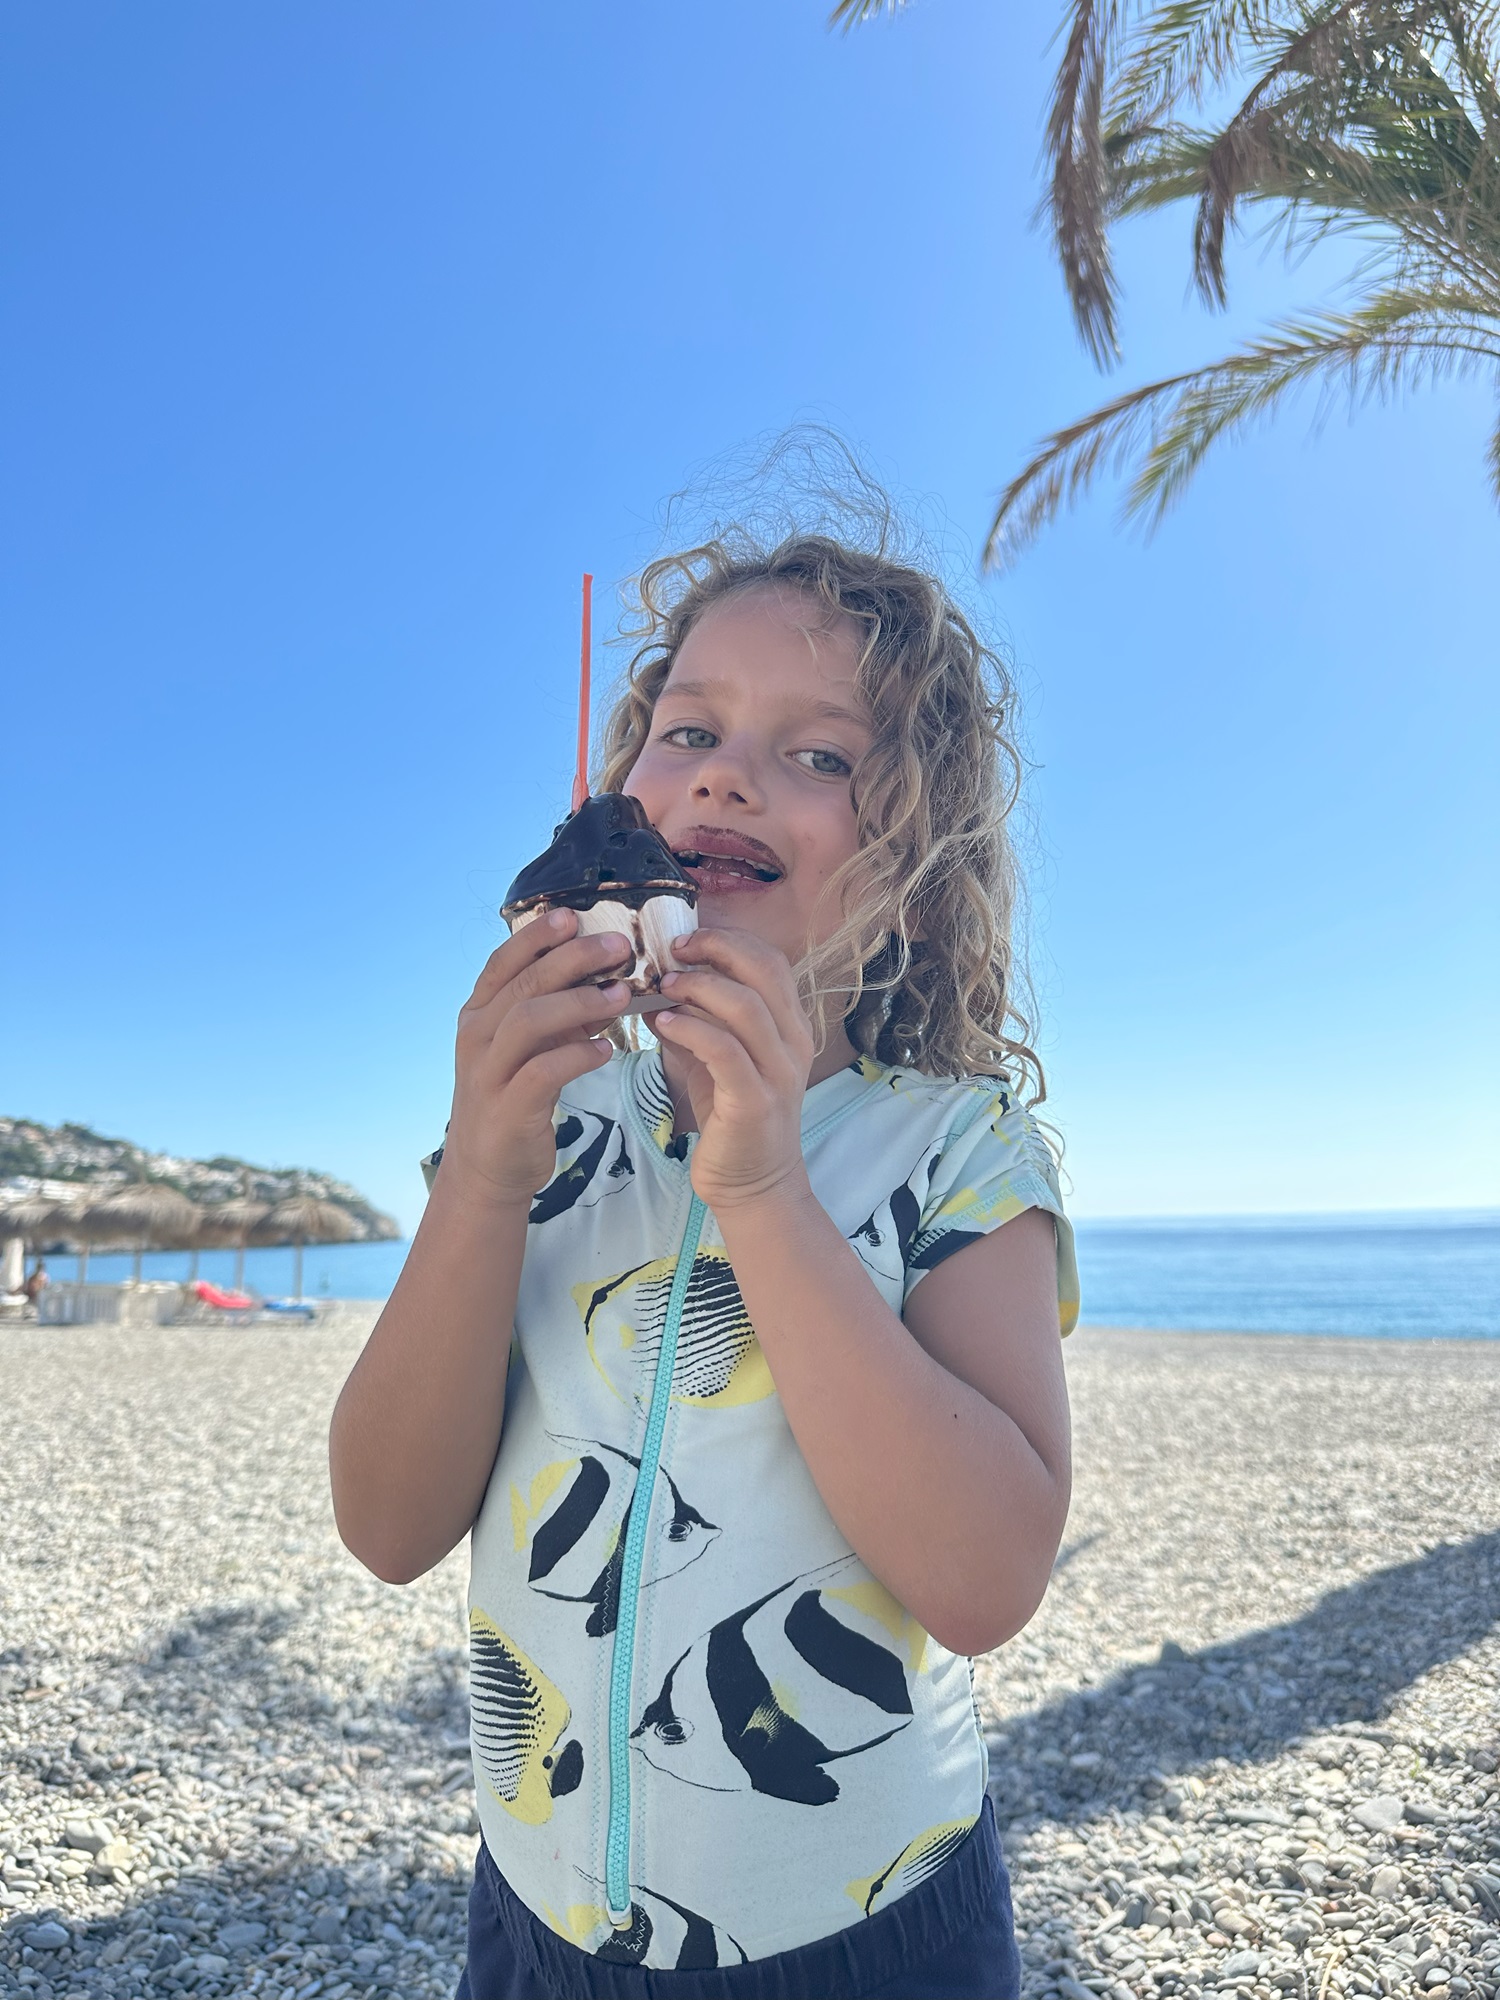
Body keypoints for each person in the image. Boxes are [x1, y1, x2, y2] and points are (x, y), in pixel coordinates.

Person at [330, 524, 1080, 1999]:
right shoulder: (534, 1135)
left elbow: (988, 1577)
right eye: (691, 731)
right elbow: (387, 1523)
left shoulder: (959, 1150)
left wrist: (763, 1187)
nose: (729, 774)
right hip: (538, 1923)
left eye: (820, 757)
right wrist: (484, 1172)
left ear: (919, 869)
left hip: (871, 1937)